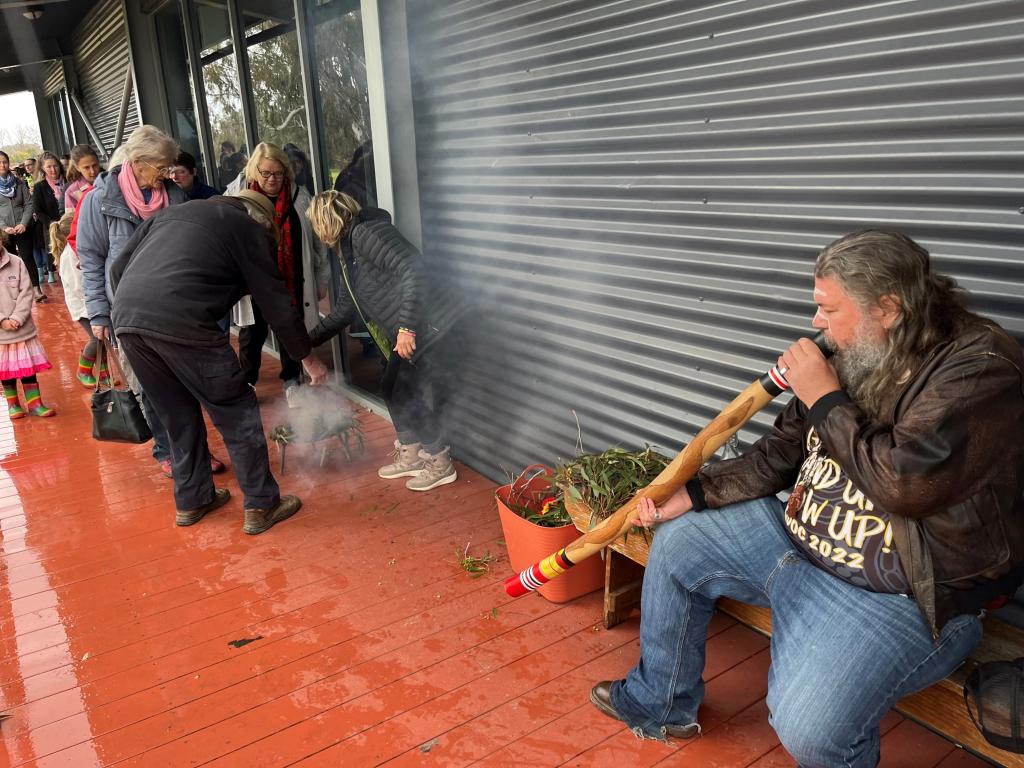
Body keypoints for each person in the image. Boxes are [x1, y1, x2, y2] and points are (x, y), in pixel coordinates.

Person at [590, 230, 1024, 767]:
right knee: (680, 542)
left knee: (810, 731)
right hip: (798, 542)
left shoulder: (979, 368)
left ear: (886, 307)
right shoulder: (855, 350)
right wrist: (698, 493)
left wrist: (822, 395)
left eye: (828, 308)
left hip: (898, 591)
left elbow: (904, 486)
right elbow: (780, 453)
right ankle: (661, 703)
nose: (816, 322)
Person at [109, 190, 328, 533]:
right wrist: (308, 358)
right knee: (235, 408)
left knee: (177, 416)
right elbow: (276, 303)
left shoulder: (169, 215)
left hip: (129, 321)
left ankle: (193, 499)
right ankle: (262, 504)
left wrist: (138, 308)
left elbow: (118, 268)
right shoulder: (246, 227)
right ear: (260, 220)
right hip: (184, 320)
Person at [77, 124, 225, 478]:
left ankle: (197, 450)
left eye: (171, 168)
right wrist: (98, 314)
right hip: (126, 311)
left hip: (174, 307)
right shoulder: (99, 201)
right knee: (151, 387)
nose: (168, 174)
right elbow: (91, 260)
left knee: (185, 383)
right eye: (162, 168)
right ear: (138, 163)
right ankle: (168, 450)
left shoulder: (174, 196)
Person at [306, 190, 464, 492]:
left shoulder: (366, 233)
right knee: (393, 389)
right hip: (411, 330)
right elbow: (345, 309)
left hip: (429, 327)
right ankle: (412, 453)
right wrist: (304, 342)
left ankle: (440, 462)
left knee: (402, 391)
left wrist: (407, 328)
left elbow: (413, 268)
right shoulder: (347, 252)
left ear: (325, 221)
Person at [226, 142, 327, 405]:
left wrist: (321, 279)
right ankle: (247, 383)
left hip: (291, 279)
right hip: (254, 282)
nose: (272, 179)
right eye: (266, 173)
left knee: (291, 330)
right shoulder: (238, 194)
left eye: (278, 174)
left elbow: (317, 243)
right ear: (254, 170)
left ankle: (292, 382)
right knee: (251, 335)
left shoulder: (300, 196)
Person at [0, 230, 55, 418]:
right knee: (6, 371)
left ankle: (35, 403)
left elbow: (26, 292)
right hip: (1, 334)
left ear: (2, 240)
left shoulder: (17, 262)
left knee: (27, 368)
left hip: (22, 328)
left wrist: (17, 318)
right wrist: (2, 321)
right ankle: (13, 404)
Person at [0, 150, 45, 303]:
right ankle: (13, 292)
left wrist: (23, 223)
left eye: (5, 161)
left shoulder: (19, 183)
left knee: (27, 257)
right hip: (4, 232)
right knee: (8, 260)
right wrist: (4, 227)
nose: (2, 165)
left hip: (23, 228)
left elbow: (29, 203)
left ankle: (36, 289)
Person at [32, 150, 65, 285]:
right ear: (43, 169)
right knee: (59, 260)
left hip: (71, 225)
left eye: (55, 165)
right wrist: (54, 223)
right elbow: (38, 211)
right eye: (49, 167)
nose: (53, 169)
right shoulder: (40, 187)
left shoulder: (68, 181)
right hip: (52, 229)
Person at [63, 144, 102, 213]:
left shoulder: (110, 181)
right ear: (77, 168)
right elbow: (71, 220)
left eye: (95, 165)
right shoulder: (71, 192)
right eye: (86, 167)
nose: (92, 171)